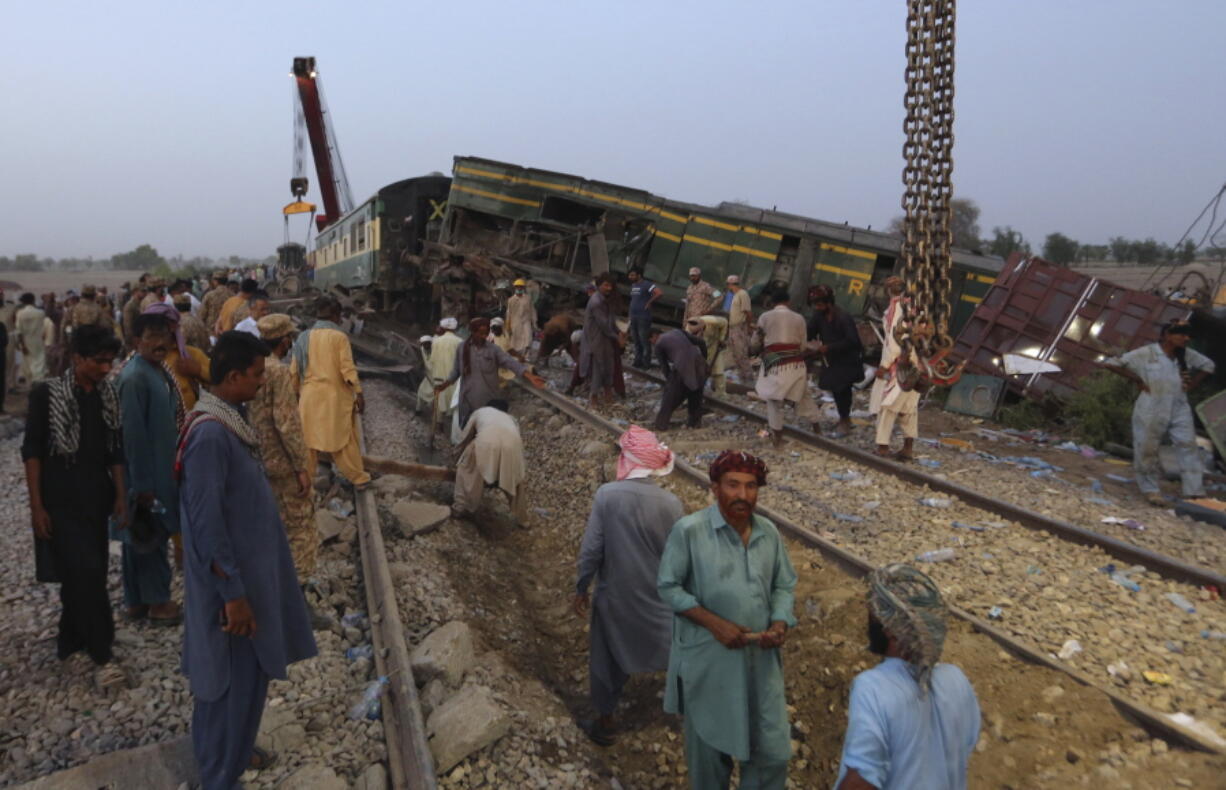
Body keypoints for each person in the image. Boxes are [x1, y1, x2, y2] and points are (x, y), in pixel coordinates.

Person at [178, 331, 318, 790]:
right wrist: (234, 594)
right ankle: (219, 776)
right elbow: (206, 525)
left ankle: (231, 764)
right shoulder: (211, 437)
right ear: (234, 377)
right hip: (233, 598)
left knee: (245, 689)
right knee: (227, 689)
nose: (262, 383)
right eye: (257, 375)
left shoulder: (229, 422)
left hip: (248, 587)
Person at [658, 450, 797, 790]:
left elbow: (784, 584)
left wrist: (780, 622)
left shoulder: (768, 533)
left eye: (751, 486)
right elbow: (668, 587)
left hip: (760, 664)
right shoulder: (689, 531)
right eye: (733, 485)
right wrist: (713, 622)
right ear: (715, 487)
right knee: (709, 758)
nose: (743, 495)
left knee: (772, 754)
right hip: (709, 663)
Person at [22, 325, 128, 687]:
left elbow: (115, 449)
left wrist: (120, 495)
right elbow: (32, 451)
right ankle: (102, 652)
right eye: (98, 362)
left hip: (95, 497)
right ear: (77, 358)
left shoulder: (107, 396)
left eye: (109, 362)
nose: (105, 369)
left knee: (87, 572)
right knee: (85, 572)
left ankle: (70, 643)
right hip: (60, 497)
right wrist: (37, 506)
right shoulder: (46, 395)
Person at [573, 425, 681, 746]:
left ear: (627, 459)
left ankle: (606, 721)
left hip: (616, 598)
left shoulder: (607, 495)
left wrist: (581, 586)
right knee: (676, 652)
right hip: (659, 599)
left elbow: (592, 549)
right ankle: (686, 712)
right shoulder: (672, 504)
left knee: (606, 656)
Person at [835, 564, 980, 790]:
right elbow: (965, 745)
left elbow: (862, 779)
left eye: (874, 612)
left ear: (891, 630)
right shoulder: (956, 680)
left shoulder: (873, 687)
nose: (869, 618)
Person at [117, 312, 184, 625]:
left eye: (164, 337)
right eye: (151, 337)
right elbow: (132, 436)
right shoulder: (134, 378)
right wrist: (141, 484)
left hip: (158, 470)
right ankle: (157, 602)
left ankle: (135, 602)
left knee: (139, 537)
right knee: (151, 536)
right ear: (136, 342)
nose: (160, 343)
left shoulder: (156, 371)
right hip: (146, 476)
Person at [1106, 320, 1215, 505]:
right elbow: (1112, 363)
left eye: (1187, 335)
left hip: (1179, 405)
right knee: (1147, 447)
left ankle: (1194, 492)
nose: (1185, 338)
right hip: (1151, 406)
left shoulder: (1187, 355)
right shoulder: (1147, 353)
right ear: (1167, 335)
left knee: (1188, 446)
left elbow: (1208, 366)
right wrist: (1137, 380)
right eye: (1181, 334)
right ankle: (1150, 490)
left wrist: (1192, 384)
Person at [291, 296, 370, 488]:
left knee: (309, 442)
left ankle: (307, 480)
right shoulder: (339, 337)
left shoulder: (303, 337)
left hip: (309, 397)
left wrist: (295, 394)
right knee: (343, 440)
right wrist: (358, 393)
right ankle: (359, 478)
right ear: (336, 315)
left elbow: (294, 370)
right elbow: (347, 369)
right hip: (334, 398)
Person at [437, 317, 546, 429]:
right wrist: (445, 384)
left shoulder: (493, 350)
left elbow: (510, 362)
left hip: (489, 402)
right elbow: (456, 371)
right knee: (468, 433)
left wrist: (530, 376)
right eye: (480, 333)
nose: (484, 336)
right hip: (467, 401)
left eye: (486, 333)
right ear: (473, 332)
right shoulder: (461, 348)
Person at [756, 286, 821, 446]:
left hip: (774, 363)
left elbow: (755, 340)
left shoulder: (764, 317)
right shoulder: (799, 318)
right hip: (796, 364)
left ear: (772, 302)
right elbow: (803, 345)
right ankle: (817, 428)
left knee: (774, 400)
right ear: (788, 302)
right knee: (804, 395)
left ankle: (777, 436)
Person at [452, 399, 527, 521]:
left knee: (468, 468)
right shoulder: (512, 419)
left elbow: (464, 437)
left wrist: (457, 457)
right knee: (515, 481)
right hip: (513, 448)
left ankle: (460, 507)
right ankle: (523, 519)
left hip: (488, 443)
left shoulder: (481, 411)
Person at [807, 284, 863, 437]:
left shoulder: (843, 317)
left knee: (843, 391)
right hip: (832, 361)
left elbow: (853, 341)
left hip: (847, 361)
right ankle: (844, 419)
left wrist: (829, 347)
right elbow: (809, 331)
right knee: (836, 391)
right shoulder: (819, 316)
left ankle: (845, 421)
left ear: (828, 302)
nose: (817, 307)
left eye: (819, 304)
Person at [651, 324, 707, 431]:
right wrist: (704, 360)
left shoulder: (658, 345)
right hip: (699, 362)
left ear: (654, 336)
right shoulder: (677, 331)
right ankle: (694, 423)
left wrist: (670, 382)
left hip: (682, 365)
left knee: (670, 397)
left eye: (651, 340)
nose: (652, 343)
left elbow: (664, 367)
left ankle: (661, 425)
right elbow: (701, 342)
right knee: (695, 393)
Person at [580, 273, 624, 406]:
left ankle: (607, 393)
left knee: (608, 365)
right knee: (599, 367)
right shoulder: (596, 302)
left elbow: (610, 321)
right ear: (599, 285)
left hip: (605, 338)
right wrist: (617, 337)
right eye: (606, 285)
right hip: (595, 338)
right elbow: (604, 325)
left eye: (610, 285)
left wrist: (619, 331)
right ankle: (593, 396)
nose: (609, 288)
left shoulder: (606, 300)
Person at [869, 276, 907, 416]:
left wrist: (885, 365)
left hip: (894, 360)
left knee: (887, 396)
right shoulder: (909, 305)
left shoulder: (896, 307)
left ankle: (882, 423)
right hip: (904, 358)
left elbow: (894, 340)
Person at [416, 318, 461, 416]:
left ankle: (439, 422)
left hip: (438, 375)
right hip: (453, 376)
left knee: (440, 398)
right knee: (451, 397)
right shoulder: (460, 342)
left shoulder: (436, 341)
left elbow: (432, 360)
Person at [627, 268, 662, 368]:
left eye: (633, 275)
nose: (630, 277)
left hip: (643, 317)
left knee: (644, 340)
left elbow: (659, 293)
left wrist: (649, 302)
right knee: (636, 340)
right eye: (630, 275)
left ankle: (646, 363)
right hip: (633, 316)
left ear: (639, 275)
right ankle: (638, 361)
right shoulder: (634, 286)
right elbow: (633, 300)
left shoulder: (647, 284)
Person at [726, 275, 755, 381]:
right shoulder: (736, 295)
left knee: (741, 354)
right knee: (735, 354)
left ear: (730, 284)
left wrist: (748, 327)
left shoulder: (743, 294)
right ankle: (742, 377)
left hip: (739, 328)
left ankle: (748, 378)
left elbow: (748, 313)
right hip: (733, 328)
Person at [694, 314, 730, 395]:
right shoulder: (690, 329)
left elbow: (725, 322)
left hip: (714, 344)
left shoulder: (711, 321)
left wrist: (721, 338)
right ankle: (695, 390)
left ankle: (720, 393)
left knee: (718, 369)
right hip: (702, 347)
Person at [505, 278, 537, 358]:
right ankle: (515, 356)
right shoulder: (511, 300)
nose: (519, 288)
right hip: (515, 323)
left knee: (528, 338)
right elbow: (508, 313)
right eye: (517, 287)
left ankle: (526, 355)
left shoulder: (527, 298)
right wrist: (508, 324)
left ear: (523, 288)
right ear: (515, 288)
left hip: (526, 321)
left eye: (521, 287)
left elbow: (532, 310)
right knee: (515, 341)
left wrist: (534, 322)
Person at [489, 317, 516, 384]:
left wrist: (519, 356)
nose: (494, 332)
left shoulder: (505, 335)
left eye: (497, 329)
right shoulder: (491, 338)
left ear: (501, 327)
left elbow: (509, 349)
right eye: (493, 330)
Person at [121, 282, 148, 348]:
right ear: (135, 291)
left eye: (146, 291)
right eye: (142, 291)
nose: (145, 293)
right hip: (133, 341)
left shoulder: (142, 303)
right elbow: (127, 326)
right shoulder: (130, 306)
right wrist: (133, 341)